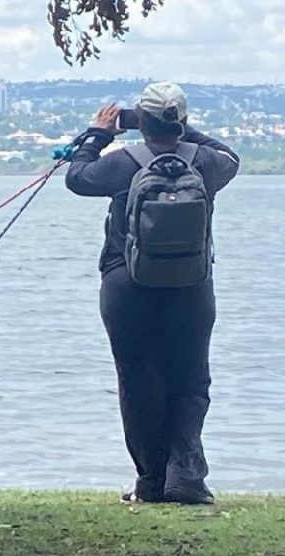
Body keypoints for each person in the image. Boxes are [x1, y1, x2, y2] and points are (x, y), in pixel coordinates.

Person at [65, 81, 240, 504]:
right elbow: (232, 157)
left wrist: (101, 133)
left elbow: (76, 177)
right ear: (180, 121)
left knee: (139, 381)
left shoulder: (122, 163)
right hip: (191, 287)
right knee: (191, 382)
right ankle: (185, 476)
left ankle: (151, 481)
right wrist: (186, 132)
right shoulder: (207, 165)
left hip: (127, 286)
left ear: (139, 121)